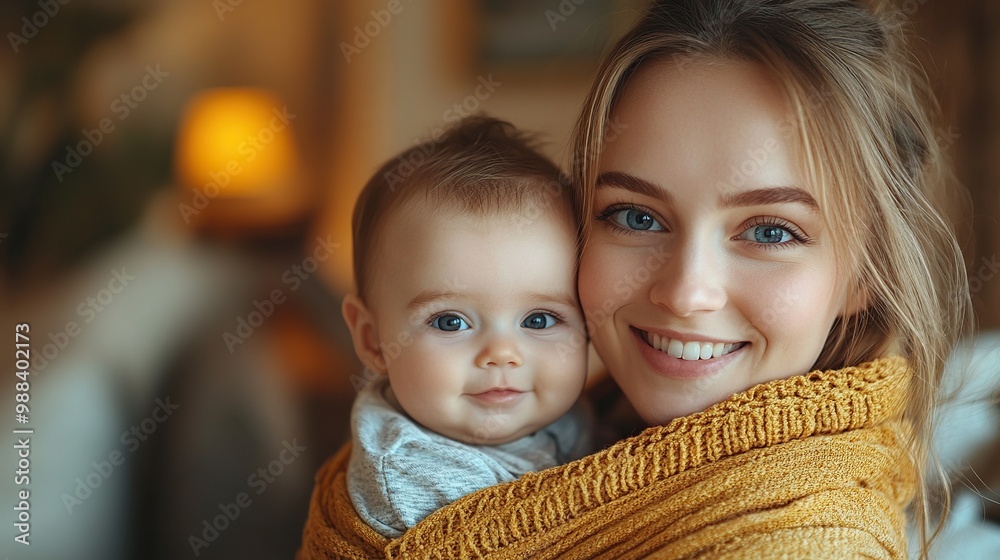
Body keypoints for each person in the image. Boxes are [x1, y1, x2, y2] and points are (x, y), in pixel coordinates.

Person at [298, 1, 971, 558]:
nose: (685, 292)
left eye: (770, 231)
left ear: (866, 272)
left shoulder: (802, 541)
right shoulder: (579, 419)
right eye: (635, 215)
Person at [337, 116, 592, 538]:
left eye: (539, 320)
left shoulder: (573, 413)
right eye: (450, 321)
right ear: (372, 338)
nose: (502, 353)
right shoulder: (414, 482)